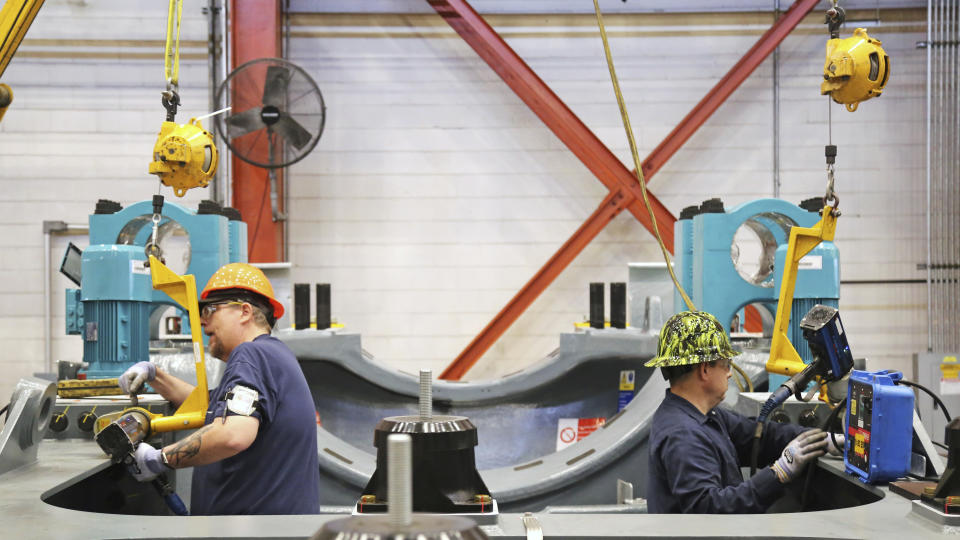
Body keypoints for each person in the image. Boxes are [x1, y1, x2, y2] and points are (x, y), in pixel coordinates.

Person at [118, 262, 320, 515]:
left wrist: (158, 459)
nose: (203, 322)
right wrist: (154, 374)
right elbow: (208, 405)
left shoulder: (251, 354)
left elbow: (232, 434)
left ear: (245, 312)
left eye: (210, 310)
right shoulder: (274, 355)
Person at [645, 310, 839, 514]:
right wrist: (779, 473)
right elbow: (708, 510)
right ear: (704, 369)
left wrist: (824, 439)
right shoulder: (683, 434)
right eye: (726, 364)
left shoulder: (705, 416)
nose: (729, 373)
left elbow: (760, 436)